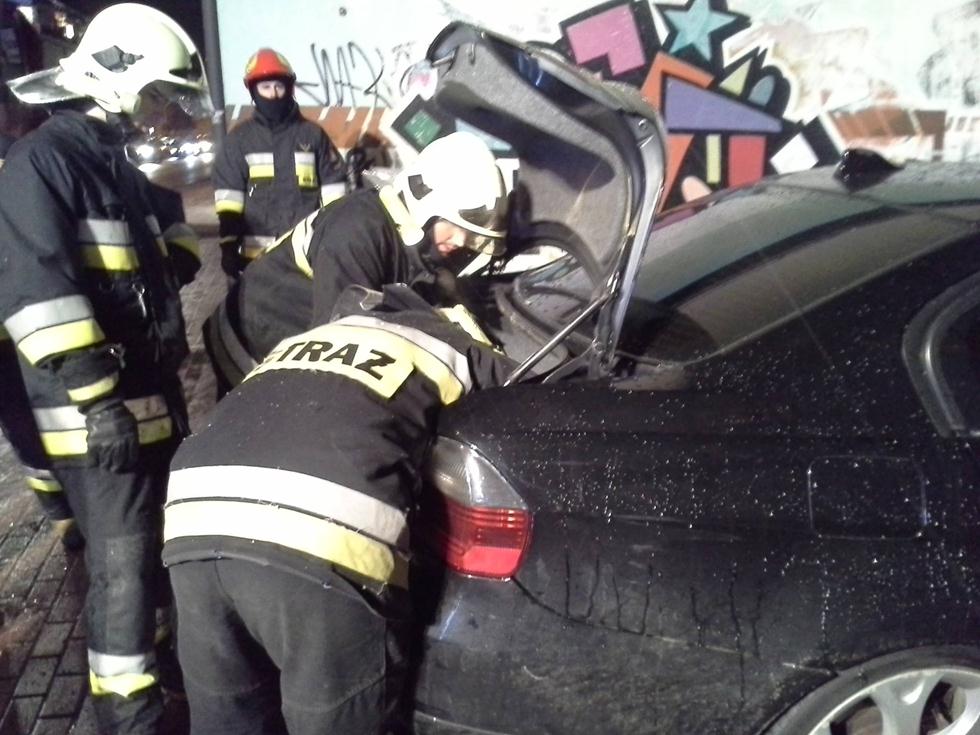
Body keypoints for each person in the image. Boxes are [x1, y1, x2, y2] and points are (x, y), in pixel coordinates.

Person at [163, 281, 516, 734]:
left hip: (191, 518)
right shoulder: (461, 347)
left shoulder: (309, 339)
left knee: (227, 722)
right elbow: (527, 413)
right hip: (320, 540)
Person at [0, 4, 210, 733]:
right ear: (114, 78)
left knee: (154, 563)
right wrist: (97, 401)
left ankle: (164, 677)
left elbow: (170, 248)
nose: (161, 113)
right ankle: (130, 716)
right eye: (156, 95)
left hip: (146, 405)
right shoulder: (41, 165)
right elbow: (39, 296)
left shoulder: (113, 162)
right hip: (96, 422)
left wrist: (162, 267)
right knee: (122, 578)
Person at [204, 130, 509, 393]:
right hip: (247, 339)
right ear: (425, 202)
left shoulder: (409, 239)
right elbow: (338, 348)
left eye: (471, 236)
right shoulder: (357, 233)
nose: (460, 241)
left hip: (281, 329)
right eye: (454, 226)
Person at [212, 47, 346, 276]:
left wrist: (335, 237)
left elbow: (335, 192)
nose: (273, 94)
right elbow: (229, 199)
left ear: (289, 88)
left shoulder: (312, 135)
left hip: (306, 255)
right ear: (253, 91)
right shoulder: (239, 140)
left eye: (279, 86)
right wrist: (228, 246)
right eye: (265, 87)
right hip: (257, 260)